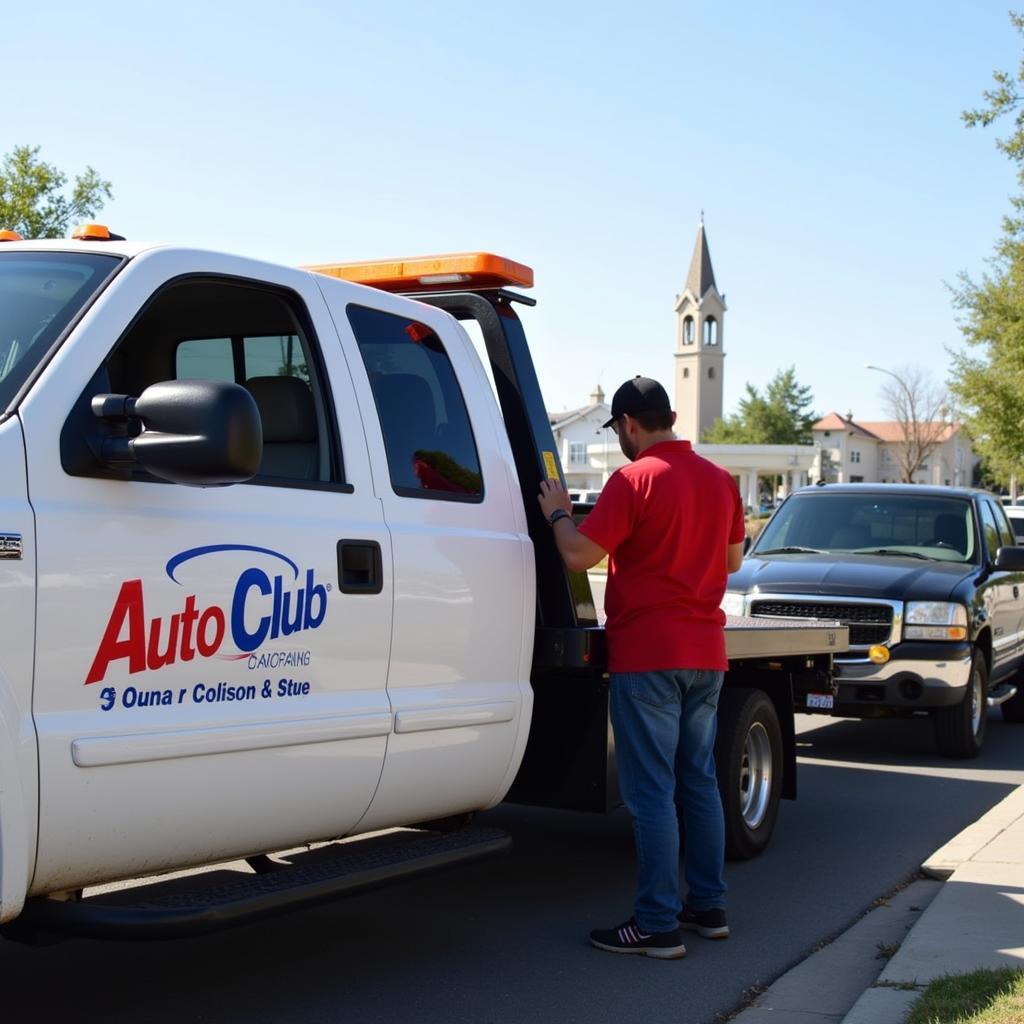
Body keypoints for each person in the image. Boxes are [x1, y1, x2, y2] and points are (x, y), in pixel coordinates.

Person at [537, 376, 745, 960]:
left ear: (629, 424)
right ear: (669, 417)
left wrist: (558, 514)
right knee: (697, 783)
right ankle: (708, 906)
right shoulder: (721, 481)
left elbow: (580, 554)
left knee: (652, 792)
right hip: (706, 654)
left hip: (648, 653)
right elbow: (732, 560)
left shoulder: (633, 479)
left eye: (618, 429)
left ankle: (656, 925)